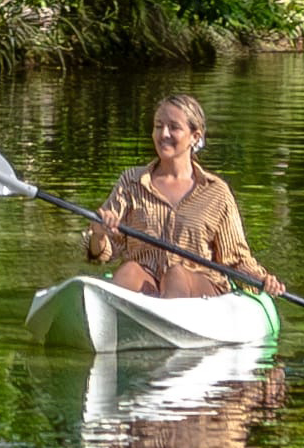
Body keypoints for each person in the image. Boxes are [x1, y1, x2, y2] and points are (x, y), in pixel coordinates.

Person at [89, 93, 282, 301]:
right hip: (148, 284)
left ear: (195, 136)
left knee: (176, 275)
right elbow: (101, 253)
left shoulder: (217, 192)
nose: (164, 134)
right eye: (158, 126)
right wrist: (99, 234)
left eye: (174, 127)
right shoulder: (131, 181)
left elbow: (235, 259)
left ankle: (167, 322)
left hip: (200, 289)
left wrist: (261, 279)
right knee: (129, 271)